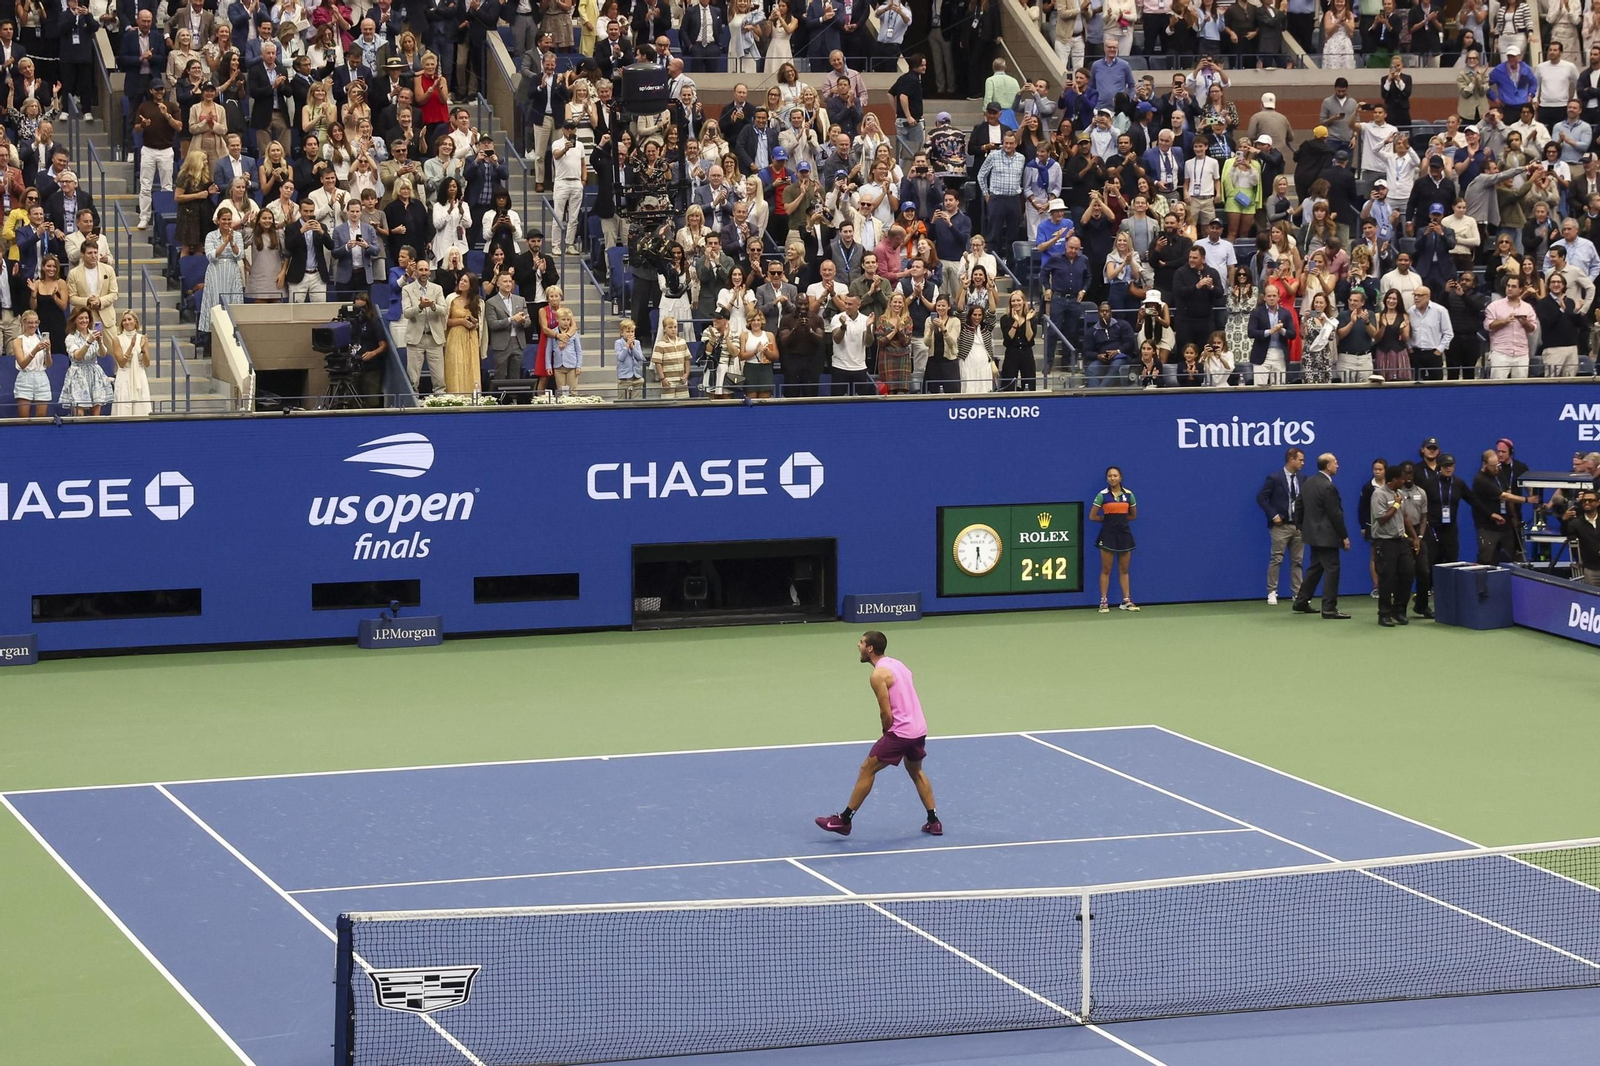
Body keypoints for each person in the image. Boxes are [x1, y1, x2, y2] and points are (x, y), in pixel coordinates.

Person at [815, 630, 941, 838]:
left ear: (870, 648)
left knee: (867, 769)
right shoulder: (898, 664)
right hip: (919, 730)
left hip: (900, 732)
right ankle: (934, 821)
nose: (858, 645)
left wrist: (887, 732)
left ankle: (844, 820)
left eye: (862, 642)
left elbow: (885, 711)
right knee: (916, 771)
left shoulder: (877, 675)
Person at [1291, 453, 1351, 619]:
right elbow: (1335, 514)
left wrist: (1302, 527)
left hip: (1313, 535)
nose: (1338, 465)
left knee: (1315, 568)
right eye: (1335, 463)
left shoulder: (1308, 482)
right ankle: (1329, 608)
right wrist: (1344, 536)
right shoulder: (1328, 487)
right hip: (1328, 536)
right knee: (1332, 570)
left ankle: (1301, 601)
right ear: (1328, 466)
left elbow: (1298, 506)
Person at [1257, 446, 1305, 605]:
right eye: (1300, 460)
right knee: (1276, 558)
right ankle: (1272, 591)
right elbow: (1261, 498)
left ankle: (1298, 593)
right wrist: (1273, 515)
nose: (1302, 463)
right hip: (1280, 526)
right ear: (1291, 459)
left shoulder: (1303, 478)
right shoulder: (1275, 478)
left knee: (1297, 561)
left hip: (1298, 526)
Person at [1369, 462, 1414, 626]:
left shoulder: (1400, 493)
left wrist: (1415, 538)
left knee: (1408, 573)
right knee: (1387, 579)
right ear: (1394, 479)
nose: (1404, 481)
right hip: (1385, 542)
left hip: (1401, 541)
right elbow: (1381, 519)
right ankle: (1384, 614)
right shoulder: (1379, 495)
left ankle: (1399, 610)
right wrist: (1395, 504)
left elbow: (1406, 517)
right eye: (1401, 479)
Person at [1090, 466, 1138, 613]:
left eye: (1115, 475)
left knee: (1124, 570)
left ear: (1120, 478)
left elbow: (1132, 516)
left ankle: (1126, 601)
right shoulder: (1102, 495)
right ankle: (1103, 601)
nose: (1112, 478)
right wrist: (1108, 521)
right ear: (1107, 479)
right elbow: (1092, 516)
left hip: (1124, 535)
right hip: (1108, 535)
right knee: (1106, 569)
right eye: (1110, 476)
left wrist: (1119, 521)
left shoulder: (1129, 495)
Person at [60, 308, 114, 416]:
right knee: (79, 413)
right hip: (78, 375)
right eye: (81, 318)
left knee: (96, 412)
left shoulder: (94, 334)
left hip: (94, 373)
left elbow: (103, 354)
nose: (84, 320)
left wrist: (99, 341)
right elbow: (78, 356)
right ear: (74, 320)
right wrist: (88, 342)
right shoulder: (71, 338)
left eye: (86, 318)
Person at [1482, 275, 1538, 376]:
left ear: (1520, 289)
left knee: (1521, 388)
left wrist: (1525, 323)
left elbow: (1533, 329)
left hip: (1521, 353)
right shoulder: (1494, 306)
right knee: (1497, 387)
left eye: (1513, 286)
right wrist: (1504, 321)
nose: (1510, 289)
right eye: (1508, 286)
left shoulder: (1527, 308)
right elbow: (1488, 325)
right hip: (1500, 352)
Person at [443, 271, 482, 395]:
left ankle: (472, 396)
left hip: (471, 338)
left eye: (465, 281)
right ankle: (455, 396)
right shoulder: (451, 299)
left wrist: (474, 323)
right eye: (461, 280)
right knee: (456, 365)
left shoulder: (479, 302)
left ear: (471, 285)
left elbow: (481, 325)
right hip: (455, 336)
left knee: (471, 367)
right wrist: (461, 321)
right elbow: (445, 322)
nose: (461, 283)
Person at [110, 311, 153, 418]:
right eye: (124, 320)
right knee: (124, 407)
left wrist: (142, 349)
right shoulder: (117, 339)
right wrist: (131, 346)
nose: (127, 322)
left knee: (141, 407)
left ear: (135, 322)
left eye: (129, 319)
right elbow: (121, 363)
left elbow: (147, 364)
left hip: (139, 375)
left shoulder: (142, 338)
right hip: (124, 376)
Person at [10, 311, 51, 418]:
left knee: (42, 418)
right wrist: (35, 350)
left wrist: (48, 351)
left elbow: (49, 364)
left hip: (41, 377)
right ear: (23, 323)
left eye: (36, 322)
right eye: (30, 322)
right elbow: (22, 364)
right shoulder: (18, 341)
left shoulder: (41, 338)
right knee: (24, 418)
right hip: (25, 378)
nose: (33, 325)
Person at [1563, 488, 1600, 585]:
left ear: (1598, 503)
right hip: (1590, 568)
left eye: (1591, 500)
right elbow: (1567, 534)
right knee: (1592, 597)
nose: (1587, 502)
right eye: (1584, 501)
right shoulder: (1577, 523)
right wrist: (1564, 520)